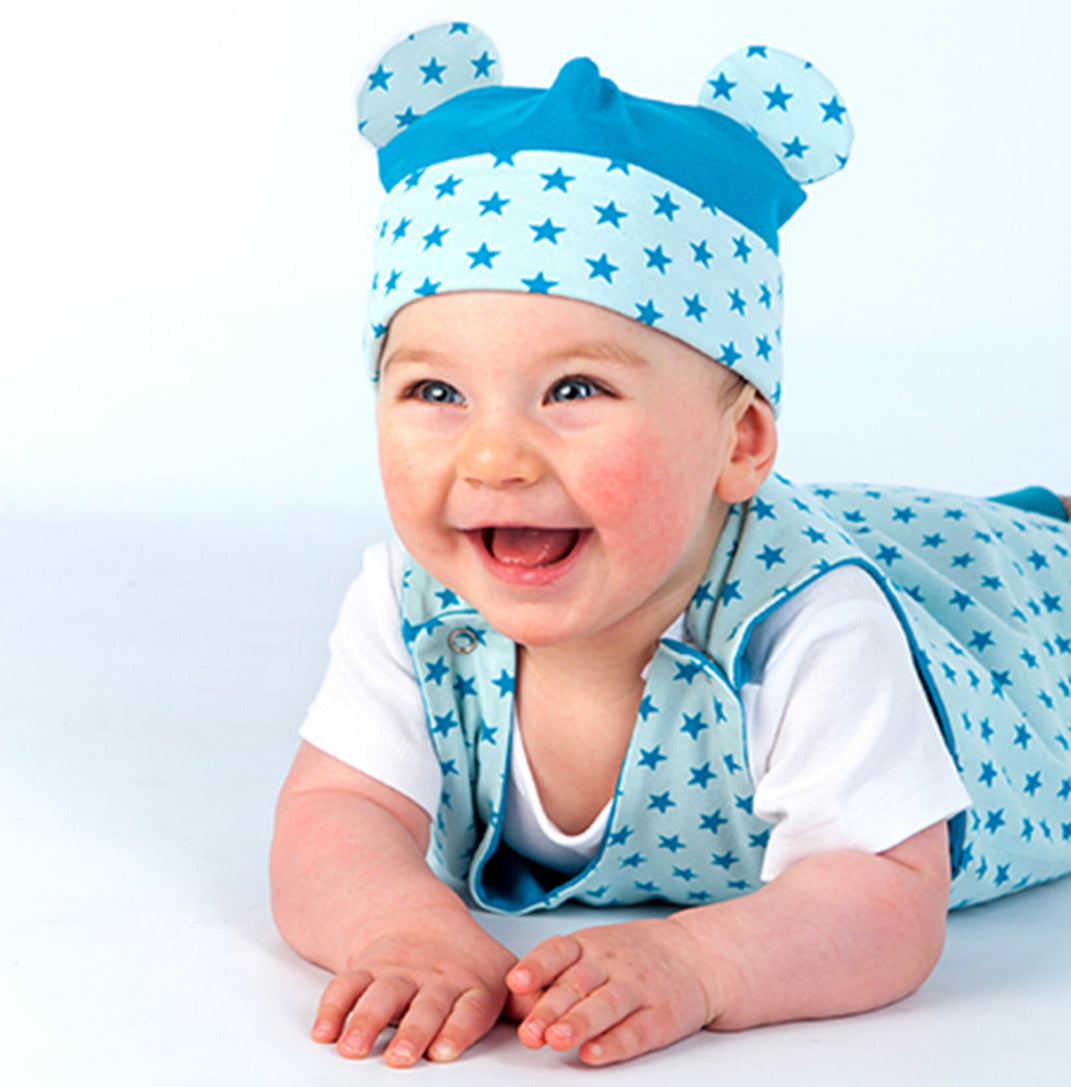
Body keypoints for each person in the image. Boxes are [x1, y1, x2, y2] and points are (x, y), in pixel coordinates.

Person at [269, 23, 1071, 1069]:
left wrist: (699, 961)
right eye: (434, 390)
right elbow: (337, 809)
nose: (494, 456)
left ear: (739, 443)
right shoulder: (411, 602)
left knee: (1010, 572)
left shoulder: (807, 621)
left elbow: (883, 888)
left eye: (574, 389)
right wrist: (397, 923)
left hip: (1024, 635)